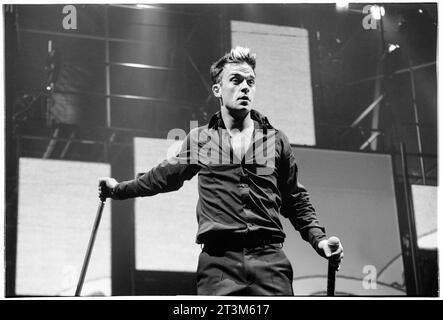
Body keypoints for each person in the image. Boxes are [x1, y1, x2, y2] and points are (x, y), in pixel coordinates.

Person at [99, 46, 344, 296]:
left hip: (270, 261)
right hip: (219, 264)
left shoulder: (275, 140)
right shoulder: (200, 139)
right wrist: (116, 190)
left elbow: (294, 199)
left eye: (250, 81)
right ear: (217, 89)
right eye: (236, 81)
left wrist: (320, 240)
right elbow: (162, 178)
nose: (245, 87)